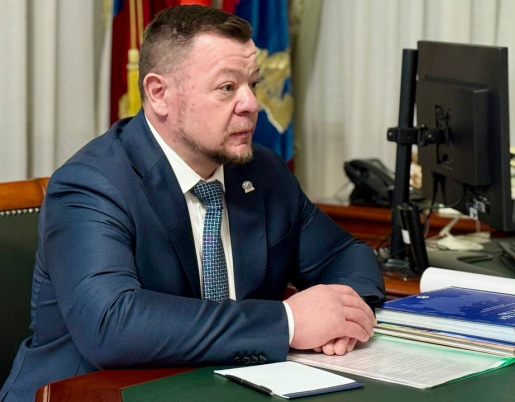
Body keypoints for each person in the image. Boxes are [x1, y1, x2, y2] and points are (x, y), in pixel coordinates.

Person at [1, 5, 385, 401]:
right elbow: (111, 325)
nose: (251, 104)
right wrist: (287, 322)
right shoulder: (91, 183)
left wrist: (344, 317)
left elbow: (346, 255)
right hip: (90, 394)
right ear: (159, 94)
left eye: (252, 83)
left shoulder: (262, 171)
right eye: (227, 88)